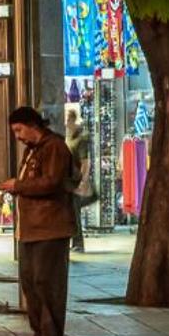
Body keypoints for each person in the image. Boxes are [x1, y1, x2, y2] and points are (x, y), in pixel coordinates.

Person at [0, 106, 77, 336]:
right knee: (30, 281)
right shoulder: (32, 150)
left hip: (50, 227)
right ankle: (40, 333)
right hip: (30, 227)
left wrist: (19, 185)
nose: (18, 136)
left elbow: (51, 182)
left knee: (47, 281)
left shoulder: (54, 147)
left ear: (33, 125)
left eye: (19, 130)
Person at [64, 107, 95, 253]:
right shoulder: (68, 135)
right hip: (68, 178)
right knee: (70, 210)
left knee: (74, 211)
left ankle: (78, 242)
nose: (65, 123)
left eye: (66, 120)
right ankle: (74, 241)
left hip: (75, 179)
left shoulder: (81, 137)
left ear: (71, 119)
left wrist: (83, 181)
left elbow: (85, 162)